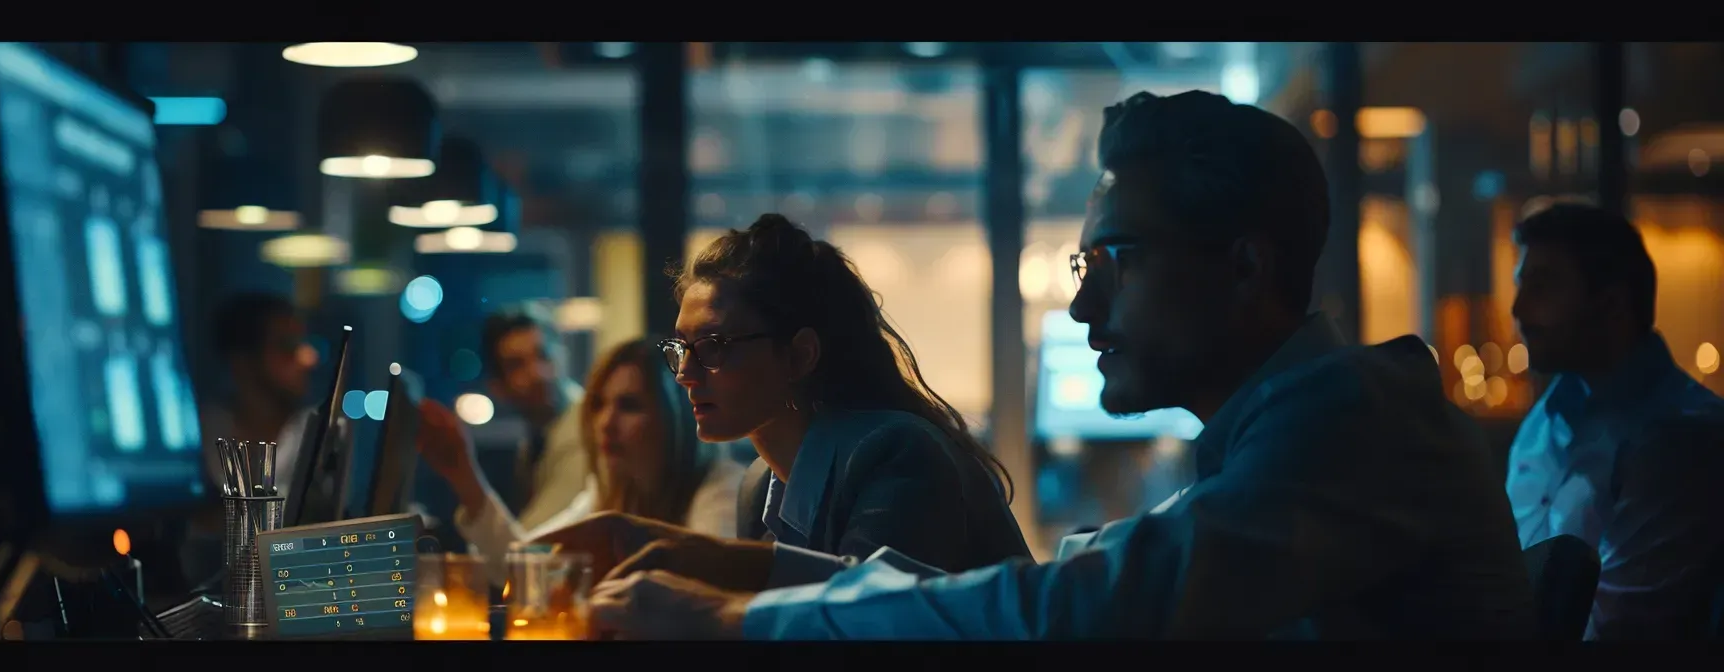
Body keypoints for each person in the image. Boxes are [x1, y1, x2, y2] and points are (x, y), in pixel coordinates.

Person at [579, 90, 1538, 640]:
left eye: (1113, 260)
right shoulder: (1285, 434)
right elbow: (1090, 572)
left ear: (1243, 266)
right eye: (1083, 266)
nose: (1082, 303)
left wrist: (734, 622)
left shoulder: (1351, 423)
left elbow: (1079, 608)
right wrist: (713, 561)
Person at [539, 213, 1031, 593]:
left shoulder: (896, 449)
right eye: (681, 349)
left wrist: (687, 557)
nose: (686, 373)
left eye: (714, 346)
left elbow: (872, 614)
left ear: (799, 354)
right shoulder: (759, 483)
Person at [1505, 202, 1724, 639]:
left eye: (1542, 286)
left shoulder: (1682, 439)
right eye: (1521, 284)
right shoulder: (1542, 424)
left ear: (1612, 304)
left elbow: (1620, 639)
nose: (1518, 309)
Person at [426, 338, 743, 585]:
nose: (605, 422)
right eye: (599, 404)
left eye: (629, 405)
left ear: (673, 418)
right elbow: (526, 564)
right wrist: (463, 476)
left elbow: (699, 594)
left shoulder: (722, 489)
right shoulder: (606, 492)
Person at [418, 311, 592, 542]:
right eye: (517, 365)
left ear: (563, 355)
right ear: (497, 387)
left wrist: (464, 475)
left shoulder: (585, 432)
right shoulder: (537, 439)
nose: (537, 373)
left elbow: (527, 553)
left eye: (544, 355)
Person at [185, 292, 317, 585]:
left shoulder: (314, 434)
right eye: (287, 347)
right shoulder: (200, 434)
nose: (309, 358)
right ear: (242, 362)